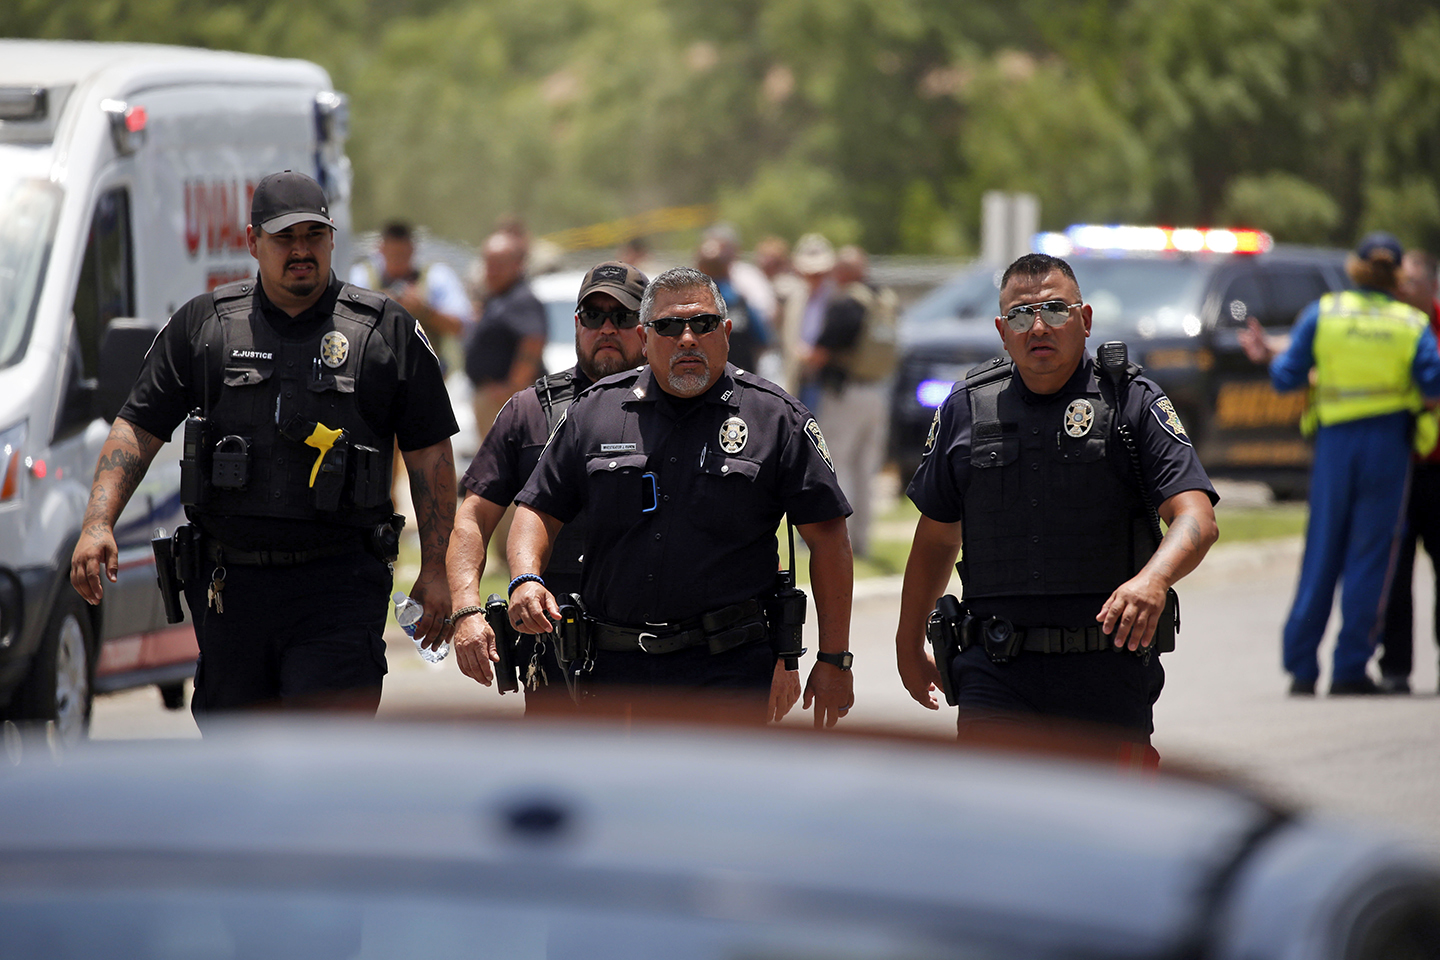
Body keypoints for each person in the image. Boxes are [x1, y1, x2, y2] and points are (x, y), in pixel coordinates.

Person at [69, 170, 458, 726]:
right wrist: (97, 521)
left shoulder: (385, 332)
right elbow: (138, 426)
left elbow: (430, 456)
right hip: (232, 592)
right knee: (237, 770)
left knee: (322, 762)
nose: (300, 250)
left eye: (313, 235)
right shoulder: (204, 327)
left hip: (339, 588)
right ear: (253, 243)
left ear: (331, 239)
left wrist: (439, 569)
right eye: (284, 237)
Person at [895, 253, 1218, 752]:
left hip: (1105, 671)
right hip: (994, 672)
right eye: (1022, 315)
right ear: (1003, 331)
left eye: (1055, 310)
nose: (1038, 326)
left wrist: (1153, 580)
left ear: (1084, 320)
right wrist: (907, 641)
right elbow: (937, 536)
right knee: (997, 825)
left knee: (1108, 825)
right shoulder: (965, 408)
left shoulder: (1132, 399)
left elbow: (1196, 515)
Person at [506, 267, 855, 727]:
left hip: (727, 671)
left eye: (703, 324)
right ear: (644, 338)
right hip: (614, 671)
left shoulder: (776, 418)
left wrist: (833, 660)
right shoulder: (595, 413)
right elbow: (536, 509)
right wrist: (525, 578)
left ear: (726, 333)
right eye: (668, 326)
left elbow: (829, 539)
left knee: (714, 801)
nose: (687, 338)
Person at [1240, 233, 1440, 695]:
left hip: (1335, 446)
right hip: (1388, 446)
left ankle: (1301, 669)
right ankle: (1350, 668)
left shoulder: (1324, 313)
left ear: (1355, 267)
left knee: (1321, 554)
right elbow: (1432, 387)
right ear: (1396, 276)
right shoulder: (1411, 323)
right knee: (1371, 557)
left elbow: (1287, 377)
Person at [805, 245, 896, 557]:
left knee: (837, 465)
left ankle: (837, 541)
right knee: (865, 469)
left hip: (846, 393)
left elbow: (821, 351)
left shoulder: (848, 302)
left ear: (842, 272)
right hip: (877, 392)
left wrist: (798, 357)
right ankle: (862, 544)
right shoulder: (883, 298)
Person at [1379, 250, 1440, 694]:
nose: (1403, 290)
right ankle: (1395, 669)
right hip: (1398, 468)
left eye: (1412, 282)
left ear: (1431, 286)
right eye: (1400, 282)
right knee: (1395, 573)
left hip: (1438, 470)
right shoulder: (1392, 325)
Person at [349, 221, 473, 366]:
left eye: (402, 254)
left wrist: (425, 310)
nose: (398, 260)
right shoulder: (362, 276)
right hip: (376, 368)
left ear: (412, 250)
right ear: (381, 250)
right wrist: (381, 304)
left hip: (426, 369)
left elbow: (461, 327)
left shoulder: (437, 276)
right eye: (393, 254)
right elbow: (349, 320)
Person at [464, 230, 547, 443]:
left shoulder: (521, 299)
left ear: (517, 265)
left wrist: (510, 390)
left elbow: (533, 342)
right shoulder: (498, 298)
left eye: (499, 265)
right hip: (493, 399)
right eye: (489, 264)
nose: (491, 271)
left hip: (506, 401)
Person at [779, 233, 836, 410]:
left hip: (827, 379)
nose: (814, 277)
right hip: (799, 376)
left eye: (818, 273)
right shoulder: (796, 298)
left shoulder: (835, 298)